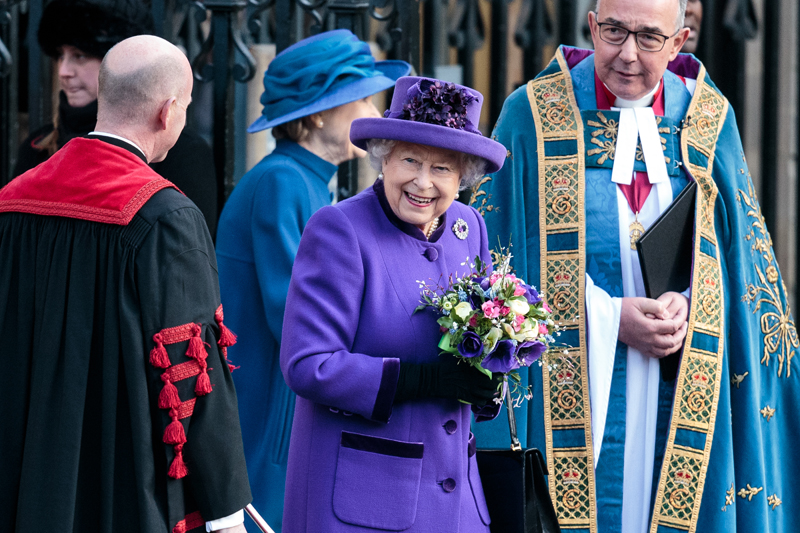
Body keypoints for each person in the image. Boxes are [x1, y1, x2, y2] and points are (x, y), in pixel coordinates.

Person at [472, 0, 800, 531]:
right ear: (591, 25)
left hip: (681, 376)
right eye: (614, 31)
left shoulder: (708, 119)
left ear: (679, 40)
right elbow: (492, 264)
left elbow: (745, 271)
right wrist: (605, 315)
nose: (627, 54)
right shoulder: (531, 114)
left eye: (649, 38)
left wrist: (695, 303)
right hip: (569, 389)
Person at [0, 35, 250, 533]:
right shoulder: (166, 215)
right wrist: (225, 510)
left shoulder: (12, 199)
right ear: (168, 110)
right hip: (119, 476)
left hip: (19, 464)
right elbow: (191, 369)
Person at [278, 76, 508, 531]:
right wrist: (420, 381)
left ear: (463, 177)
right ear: (383, 157)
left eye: (442, 168)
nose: (423, 182)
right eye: (409, 160)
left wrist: (487, 383)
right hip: (365, 500)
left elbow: (480, 334)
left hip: (457, 500)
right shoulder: (341, 229)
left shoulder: (470, 226)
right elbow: (308, 364)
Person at [215, 29, 409, 532]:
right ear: (319, 113)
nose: (374, 107)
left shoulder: (300, 180)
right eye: (361, 96)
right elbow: (297, 318)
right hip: (268, 411)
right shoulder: (282, 181)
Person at [12, 0, 220, 238]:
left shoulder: (178, 150)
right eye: (60, 56)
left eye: (80, 55)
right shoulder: (38, 146)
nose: (64, 71)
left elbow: (185, 253)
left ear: (119, 62)